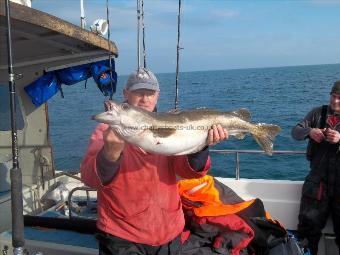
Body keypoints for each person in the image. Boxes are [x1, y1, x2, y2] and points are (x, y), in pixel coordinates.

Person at [80, 67, 229, 255]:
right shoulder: (106, 131)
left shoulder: (170, 125)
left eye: (149, 93)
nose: (144, 99)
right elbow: (89, 178)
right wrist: (110, 154)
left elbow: (187, 172)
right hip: (123, 237)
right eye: (138, 92)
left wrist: (201, 145)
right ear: (126, 94)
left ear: (157, 95)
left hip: (170, 232)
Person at [291, 80, 340, 255]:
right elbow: (295, 131)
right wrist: (309, 132)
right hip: (317, 184)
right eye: (333, 96)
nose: (335, 101)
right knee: (306, 234)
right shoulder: (318, 113)